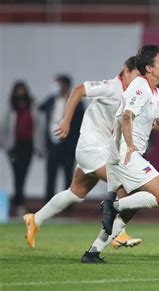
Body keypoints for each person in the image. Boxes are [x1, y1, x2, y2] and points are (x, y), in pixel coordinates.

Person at [81, 44, 159, 263]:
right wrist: (130, 145)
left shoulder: (155, 92)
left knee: (130, 208)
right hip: (125, 153)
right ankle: (113, 206)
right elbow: (126, 116)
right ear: (149, 68)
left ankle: (93, 252)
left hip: (121, 153)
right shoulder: (140, 85)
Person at [23, 57, 142, 249]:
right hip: (91, 148)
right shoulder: (111, 86)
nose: (139, 80)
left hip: (101, 150)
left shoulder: (133, 93)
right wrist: (66, 121)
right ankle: (118, 233)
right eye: (137, 74)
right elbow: (79, 90)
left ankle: (35, 219)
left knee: (75, 193)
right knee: (125, 181)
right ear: (126, 71)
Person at [39, 75, 84, 204]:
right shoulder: (51, 100)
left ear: (65, 85)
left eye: (58, 84)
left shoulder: (75, 101)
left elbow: (80, 121)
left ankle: (66, 204)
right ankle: (49, 202)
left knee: (68, 175)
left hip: (68, 145)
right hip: (53, 145)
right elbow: (40, 109)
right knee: (50, 175)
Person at [2, 81, 42, 217]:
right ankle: (19, 203)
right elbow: (4, 127)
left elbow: (38, 128)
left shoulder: (32, 109)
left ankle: (19, 201)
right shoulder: (11, 110)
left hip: (28, 146)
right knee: (17, 174)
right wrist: (4, 144)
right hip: (14, 147)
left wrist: (40, 147)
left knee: (23, 174)